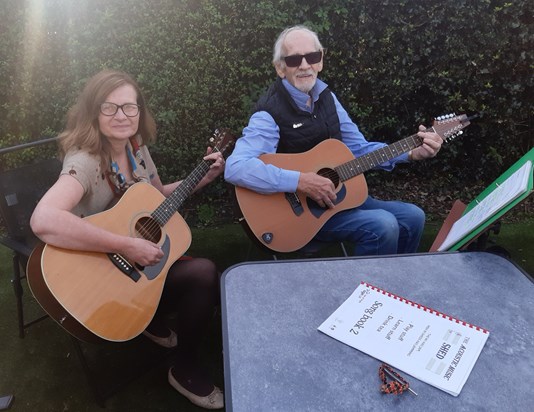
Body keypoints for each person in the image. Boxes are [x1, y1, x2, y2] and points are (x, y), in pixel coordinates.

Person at [30, 70, 224, 409]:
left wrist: (202, 178)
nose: (121, 116)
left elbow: (157, 198)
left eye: (129, 107)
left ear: (139, 112)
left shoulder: (138, 149)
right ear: (94, 112)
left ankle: (154, 323)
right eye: (110, 107)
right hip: (102, 283)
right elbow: (44, 219)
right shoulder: (85, 161)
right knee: (204, 274)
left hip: (133, 273)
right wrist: (126, 245)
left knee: (193, 267)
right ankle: (185, 366)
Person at [225, 25, 443, 256]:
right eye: (294, 60)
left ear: (320, 61)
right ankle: (365, 291)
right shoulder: (269, 113)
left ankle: (397, 284)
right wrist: (300, 181)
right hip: (300, 219)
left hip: (336, 203)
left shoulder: (327, 98)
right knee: (383, 224)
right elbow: (236, 167)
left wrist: (411, 153)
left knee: (413, 217)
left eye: (312, 56)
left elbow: (358, 149)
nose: (305, 65)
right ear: (280, 68)